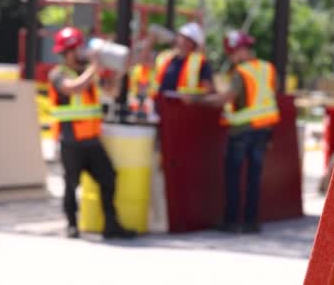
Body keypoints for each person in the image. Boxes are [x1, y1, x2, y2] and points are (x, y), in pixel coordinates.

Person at [48, 27, 137, 240]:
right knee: (71, 184)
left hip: (92, 140)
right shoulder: (58, 74)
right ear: (67, 52)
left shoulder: (88, 71)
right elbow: (72, 88)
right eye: (75, 49)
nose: (79, 52)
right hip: (71, 141)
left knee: (109, 178)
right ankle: (71, 225)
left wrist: (118, 73)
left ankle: (111, 225)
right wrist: (94, 68)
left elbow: (112, 92)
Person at [199, 30, 280, 234]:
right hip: (263, 129)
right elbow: (271, 94)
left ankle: (231, 221)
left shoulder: (241, 72)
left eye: (231, 53)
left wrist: (199, 100)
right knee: (254, 177)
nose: (231, 58)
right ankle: (251, 222)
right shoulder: (268, 68)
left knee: (233, 177)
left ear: (239, 50)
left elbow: (226, 98)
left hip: (242, 131)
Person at [154, 22, 214, 101]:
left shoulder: (201, 63)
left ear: (193, 43)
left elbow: (209, 90)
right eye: (182, 37)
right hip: (161, 105)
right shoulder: (166, 57)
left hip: (186, 109)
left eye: (187, 39)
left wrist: (194, 97)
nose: (182, 41)